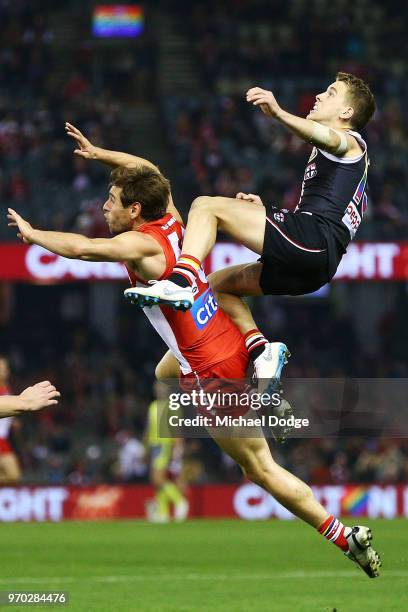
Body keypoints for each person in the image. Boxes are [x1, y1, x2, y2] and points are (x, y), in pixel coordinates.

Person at [7, 127, 380, 578]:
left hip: (210, 369)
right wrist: (100, 153)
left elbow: (85, 249)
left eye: (111, 200)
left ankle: (344, 536)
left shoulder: (140, 244)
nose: (104, 206)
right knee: (166, 369)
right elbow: (147, 170)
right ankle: (262, 369)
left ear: (134, 210)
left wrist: (33, 233)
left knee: (259, 469)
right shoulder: (174, 223)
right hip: (218, 336)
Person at [130, 72, 375, 309]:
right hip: (316, 262)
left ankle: (180, 280)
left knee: (206, 206)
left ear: (346, 112)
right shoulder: (348, 163)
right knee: (215, 285)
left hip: (314, 240)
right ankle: (259, 348)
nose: (320, 96)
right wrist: (264, 213)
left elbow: (330, 140)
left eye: (331, 93)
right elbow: (327, 209)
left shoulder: (351, 142)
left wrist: (278, 113)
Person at [144, 382, 189, 523]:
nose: (159, 390)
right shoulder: (152, 406)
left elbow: (177, 428)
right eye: (157, 388)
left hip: (164, 444)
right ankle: (163, 513)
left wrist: (178, 448)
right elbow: (148, 429)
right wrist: (144, 448)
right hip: (153, 445)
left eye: (162, 388)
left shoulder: (172, 406)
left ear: (167, 390)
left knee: (157, 478)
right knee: (159, 480)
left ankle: (180, 501)